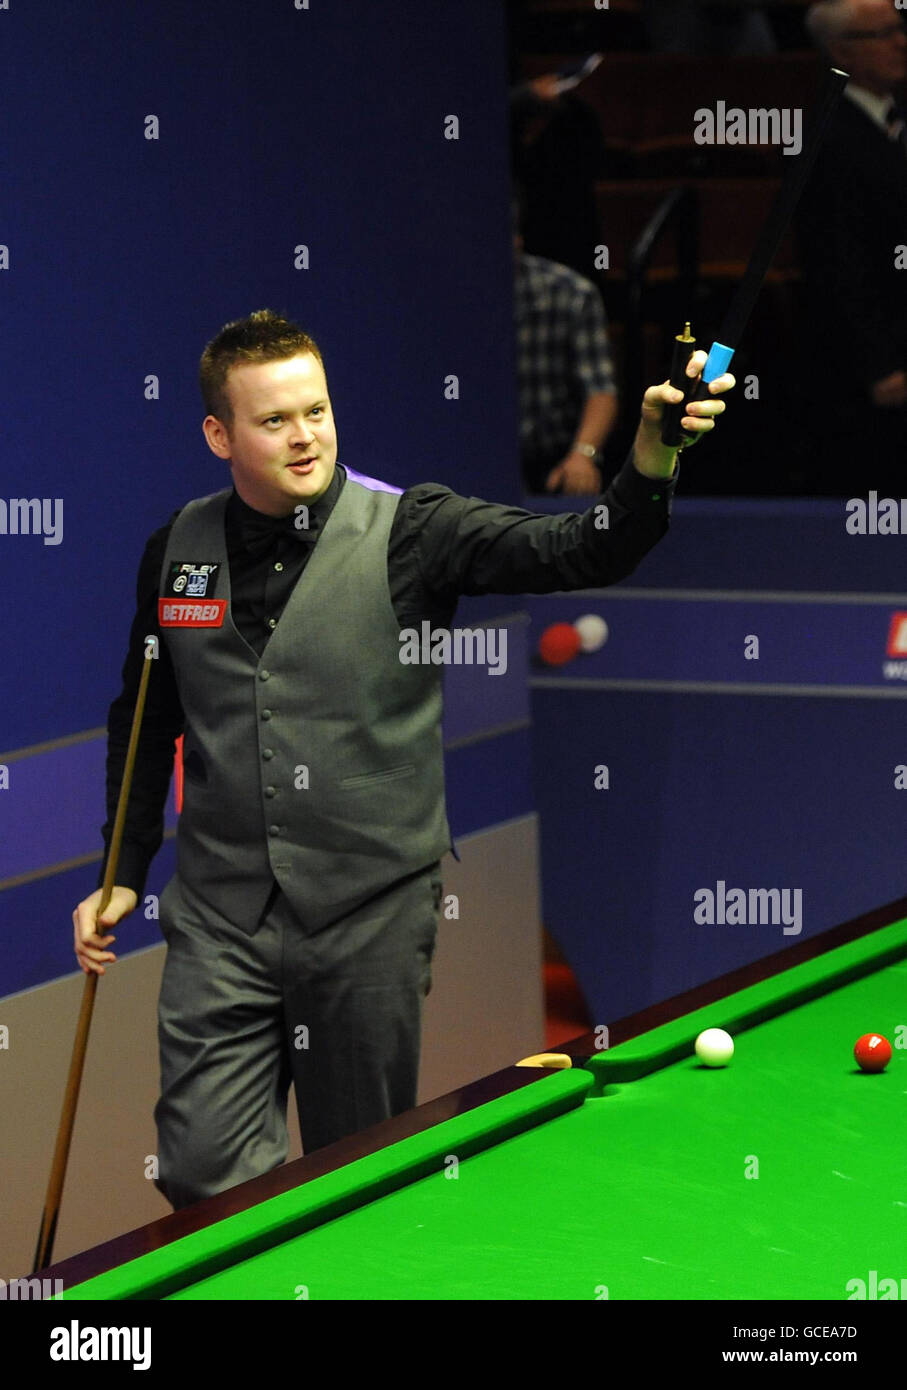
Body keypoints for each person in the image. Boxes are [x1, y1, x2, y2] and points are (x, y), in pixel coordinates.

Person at [72, 308, 733, 1210]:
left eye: (317, 410)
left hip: (365, 909)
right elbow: (147, 719)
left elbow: (587, 547)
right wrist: (122, 865)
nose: (305, 437)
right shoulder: (175, 554)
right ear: (218, 433)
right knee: (199, 1172)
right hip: (221, 916)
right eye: (274, 421)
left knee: (355, 1173)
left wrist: (652, 455)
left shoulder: (415, 530)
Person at [796, 0, 907, 493]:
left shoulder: (894, 121)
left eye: (898, 29)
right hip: (869, 372)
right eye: (880, 34)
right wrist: (878, 363)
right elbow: (837, 261)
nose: (900, 43)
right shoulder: (824, 137)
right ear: (839, 50)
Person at [513, 191, 619, 494]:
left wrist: (582, 455)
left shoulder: (571, 293)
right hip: (473, 460)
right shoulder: (450, 296)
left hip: (554, 460)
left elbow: (601, 390)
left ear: (517, 239)